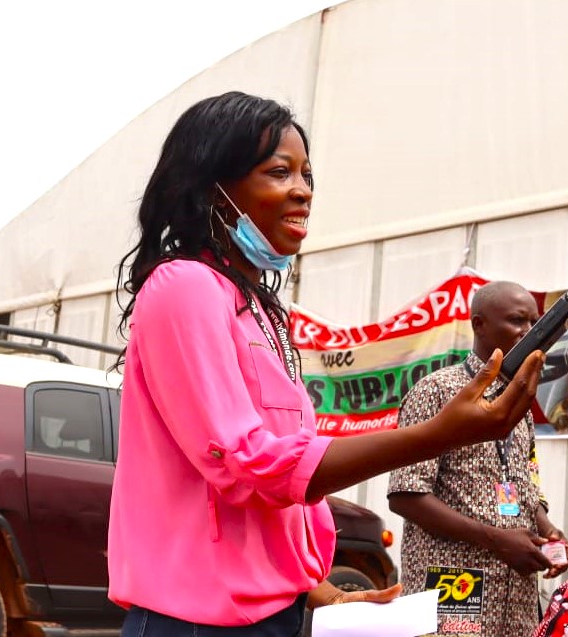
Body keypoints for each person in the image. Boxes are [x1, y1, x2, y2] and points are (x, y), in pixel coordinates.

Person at [107, 92, 545, 637]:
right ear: (214, 191)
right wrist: (436, 435)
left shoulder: (262, 311)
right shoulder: (184, 287)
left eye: (307, 175)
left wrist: (322, 591)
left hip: (276, 614)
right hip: (198, 625)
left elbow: (283, 486)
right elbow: (248, 465)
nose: (302, 191)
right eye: (278, 172)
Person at [388, 280, 568, 637]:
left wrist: (549, 532)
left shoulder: (519, 403)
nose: (528, 332)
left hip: (514, 604)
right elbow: (405, 495)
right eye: (517, 321)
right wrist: (495, 539)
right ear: (479, 324)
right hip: (452, 597)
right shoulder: (437, 391)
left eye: (533, 323)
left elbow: (524, 489)